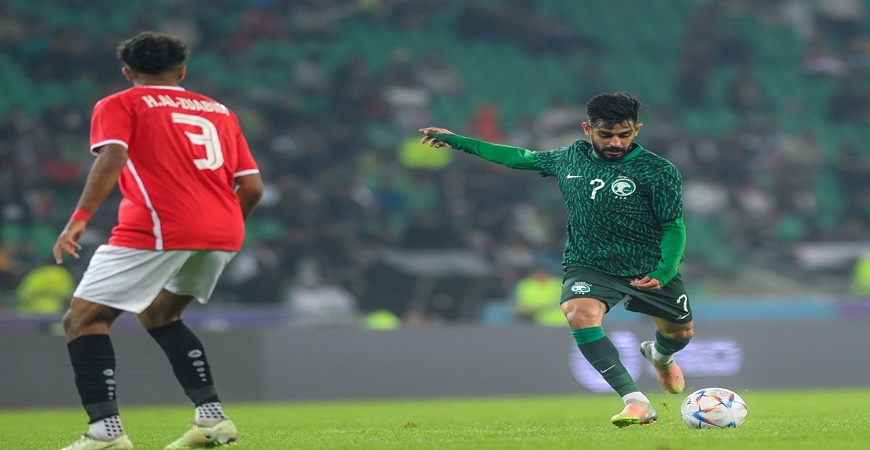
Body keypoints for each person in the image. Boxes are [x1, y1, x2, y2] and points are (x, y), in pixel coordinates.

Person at [420, 92, 692, 427]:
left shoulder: (658, 170)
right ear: (587, 129)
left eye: (624, 134)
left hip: (648, 266)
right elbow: (518, 157)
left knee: (680, 334)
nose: (615, 142)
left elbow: (673, 226)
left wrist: (665, 271)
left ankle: (660, 356)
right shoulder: (569, 158)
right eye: (606, 134)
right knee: (578, 313)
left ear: (637, 130)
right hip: (590, 263)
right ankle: (635, 401)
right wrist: (458, 141)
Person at [53, 31, 263, 449]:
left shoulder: (120, 103)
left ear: (127, 72)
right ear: (181, 72)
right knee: (159, 314)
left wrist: (79, 218)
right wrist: (216, 227)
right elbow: (253, 188)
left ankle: (105, 433)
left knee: (83, 319)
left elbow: (113, 155)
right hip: (224, 230)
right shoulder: (220, 111)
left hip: (160, 225)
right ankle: (211, 419)